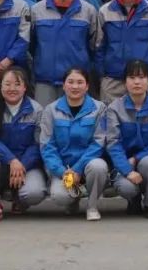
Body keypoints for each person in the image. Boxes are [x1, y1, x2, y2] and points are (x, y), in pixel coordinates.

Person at [0, 67, 47, 223]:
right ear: (1, 86)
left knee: (34, 193)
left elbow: (38, 143)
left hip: (27, 164)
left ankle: (19, 199)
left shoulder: (36, 109)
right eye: (7, 84)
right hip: (0, 163)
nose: (12, 88)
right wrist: (11, 160)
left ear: (25, 87)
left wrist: (22, 164)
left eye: (17, 84)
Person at [40, 68, 109, 221]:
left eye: (80, 82)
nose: (75, 86)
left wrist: (77, 169)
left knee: (99, 167)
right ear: (64, 85)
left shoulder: (99, 109)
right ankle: (73, 199)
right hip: (64, 168)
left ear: (87, 86)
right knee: (60, 197)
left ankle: (92, 206)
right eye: (70, 82)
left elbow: (99, 142)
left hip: (87, 165)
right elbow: (47, 146)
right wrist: (62, 172)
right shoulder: (51, 110)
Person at [106, 59, 148, 219]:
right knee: (126, 188)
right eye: (132, 77)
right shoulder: (114, 109)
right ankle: (133, 199)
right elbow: (113, 144)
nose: (137, 82)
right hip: (123, 163)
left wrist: (136, 158)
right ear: (125, 82)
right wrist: (127, 170)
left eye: (141, 77)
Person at [31, 0, 99, 107]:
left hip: (77, 82)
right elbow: (31, 45)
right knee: (44, 119)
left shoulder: (88, 11)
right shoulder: (36, 10)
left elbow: (94, 46)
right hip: (45, 82)